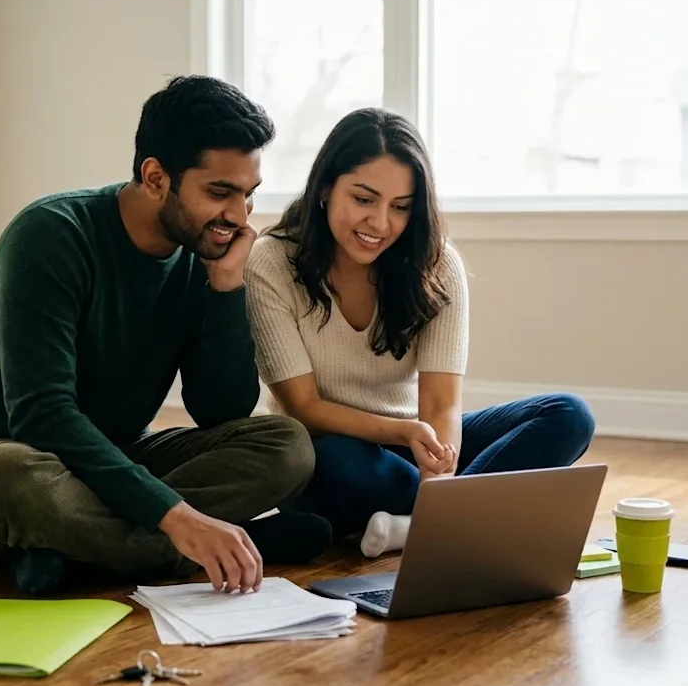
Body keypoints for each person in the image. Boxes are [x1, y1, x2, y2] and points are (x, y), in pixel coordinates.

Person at [0, 75, 332, 597]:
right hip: (2, 456)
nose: (238, 216)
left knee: (288, 444)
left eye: (248, 195)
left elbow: (220, 410)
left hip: (116, 458)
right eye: (219, 193)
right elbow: (40, 415)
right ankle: (207, 542)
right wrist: (179, 517)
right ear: (157, 177)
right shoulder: (50, 234)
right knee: (8, 479)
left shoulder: (206, 255)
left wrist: (227, 288)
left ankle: (72, 549)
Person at [243, 108, 596, 559]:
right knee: (330, 459)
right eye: (364, 199)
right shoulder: (271, 263)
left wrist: (438, 481)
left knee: (568, 415)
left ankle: (421, 524)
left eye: (401, 207)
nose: (380, 224)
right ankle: (473, 518)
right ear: (326, 187)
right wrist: (404, 433)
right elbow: (305, 407)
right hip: (334, 451)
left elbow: (441, 404)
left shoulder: (436, 264)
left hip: (413, 447)